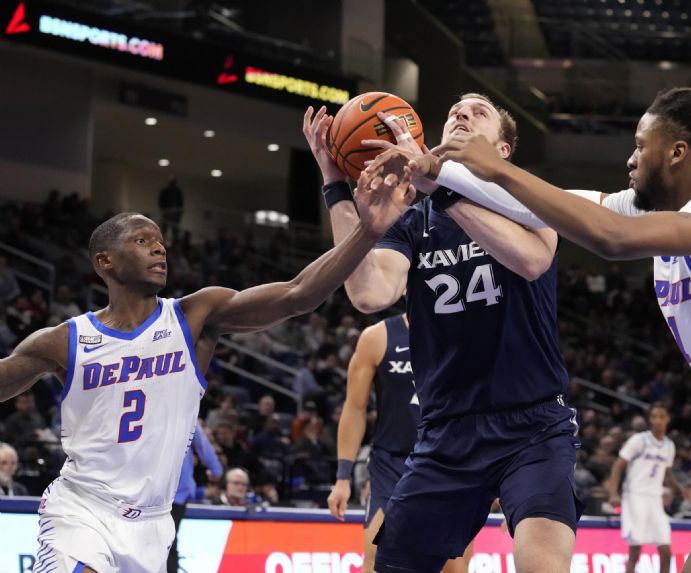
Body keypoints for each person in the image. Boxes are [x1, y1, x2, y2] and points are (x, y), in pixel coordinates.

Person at [424, 64, 691, 573]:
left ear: (677, 152)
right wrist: (437, 173)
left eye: (639, 144)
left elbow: (610, 238)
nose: (630, 159)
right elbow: (553, 208)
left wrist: (496, 167)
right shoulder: (654, 211)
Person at [0, 160, 415, 573]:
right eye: (142, 241)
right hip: (81, 510)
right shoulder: (64, 341)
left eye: (160, 241)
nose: (159, 248)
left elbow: (297, 294)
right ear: (104, 262)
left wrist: (368, 231)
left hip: (153, 524)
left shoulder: (194, 317)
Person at [304, 94, 581, 573]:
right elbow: (370, 293)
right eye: (454, 108)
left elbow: (532, 261)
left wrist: (442, 189)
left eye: (480, 111)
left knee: (542, 563)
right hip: (446, 430)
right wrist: (335, 184)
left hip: (532, 423)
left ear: (502, 150)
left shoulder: (528, 198)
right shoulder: (414, 219)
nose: (461, 111)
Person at [326, 314, 472, 573]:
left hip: (449, 465)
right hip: (391, 463)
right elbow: (355, 408)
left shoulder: (466, 333)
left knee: (454, 567)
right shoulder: (377, 337)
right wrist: (342, 478)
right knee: (376, 560)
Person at [606, 404, 679, 573]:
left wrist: (680, 489)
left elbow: (666, 474)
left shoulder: (669, 446)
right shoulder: (639, 440)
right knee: (635, 551)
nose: (657, 420)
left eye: (661, 416)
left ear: (668, 419)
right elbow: (618, 466)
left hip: (655, 499)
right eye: (653, 416)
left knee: (666, 552)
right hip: (635, 496)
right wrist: (613, 493)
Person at [168, 422, 223, 573]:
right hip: (169, 492)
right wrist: (216, 470)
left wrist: (216, 469)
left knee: (166, 543)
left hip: (170, 492)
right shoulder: (185, 411)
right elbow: (203, 446)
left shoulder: (185, 415)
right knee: (167, 543)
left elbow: (202, 445)